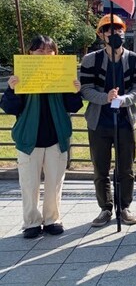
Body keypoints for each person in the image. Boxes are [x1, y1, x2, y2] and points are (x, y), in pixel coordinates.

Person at [0, 36, 83, 238]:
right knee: (29, 184)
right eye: (40, 51)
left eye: (49, 51)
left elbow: (73, 106)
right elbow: (10, 107)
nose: (45, 55)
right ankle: (31, 222)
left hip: (57, 137)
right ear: (30, 53)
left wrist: (74, 91)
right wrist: (11, 89)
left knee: (55, 183)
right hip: (29, 139)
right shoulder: (22, 76)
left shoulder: (62, 75)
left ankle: (52, 219)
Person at [80, 14, 136, 227]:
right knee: (100, 168)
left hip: (125, 121)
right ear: (101, 34)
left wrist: (123, 99)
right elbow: (86, 89)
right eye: (108, 30)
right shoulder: (91, 60)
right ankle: (105, 208)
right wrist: (105, 98)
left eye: (117, 29)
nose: (113, 33)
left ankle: (124, 207)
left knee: (126, 167)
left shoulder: (135, 59)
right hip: (99, 122)